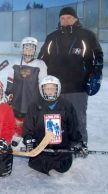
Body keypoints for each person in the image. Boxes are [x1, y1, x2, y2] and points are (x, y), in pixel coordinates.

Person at [38, 7, 104, 146]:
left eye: (69, 17)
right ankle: (57, 142)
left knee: (77, 116)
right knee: (55, 117)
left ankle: (80, 143)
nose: (66, 20)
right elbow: (41, 60)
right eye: (63, 18)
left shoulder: (87, 35)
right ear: (59, 20)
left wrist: (96, 72)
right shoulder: (52, 37)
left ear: (75, 19)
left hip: (78, 85)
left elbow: (97, 56)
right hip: (54, 87)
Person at [22, 75, 86, 175]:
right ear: (41, 90)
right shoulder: (34, 106)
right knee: (38, 165)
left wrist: (78, 142)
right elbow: (28, 128)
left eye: (53, 88)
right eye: (47, 88)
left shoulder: (67, 105)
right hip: (41, 150)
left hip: (62, 151)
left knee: (63, 167)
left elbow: (73, 127)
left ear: (58, 89)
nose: (50, 91)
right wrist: (28, 139)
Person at [5, 37, 47, 137]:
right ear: (22, 49)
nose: (29, 50)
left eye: (32, 48)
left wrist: (43, 100)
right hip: (17, 99)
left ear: (35, 50)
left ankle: (30, 138)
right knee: (17, 121)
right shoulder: (15, 63)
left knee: (31, 122)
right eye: (26, 48)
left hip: (33, 99)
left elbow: (43, 83)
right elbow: (10, 80)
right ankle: (17, 138)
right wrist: (8, 93)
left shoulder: (40, 64)